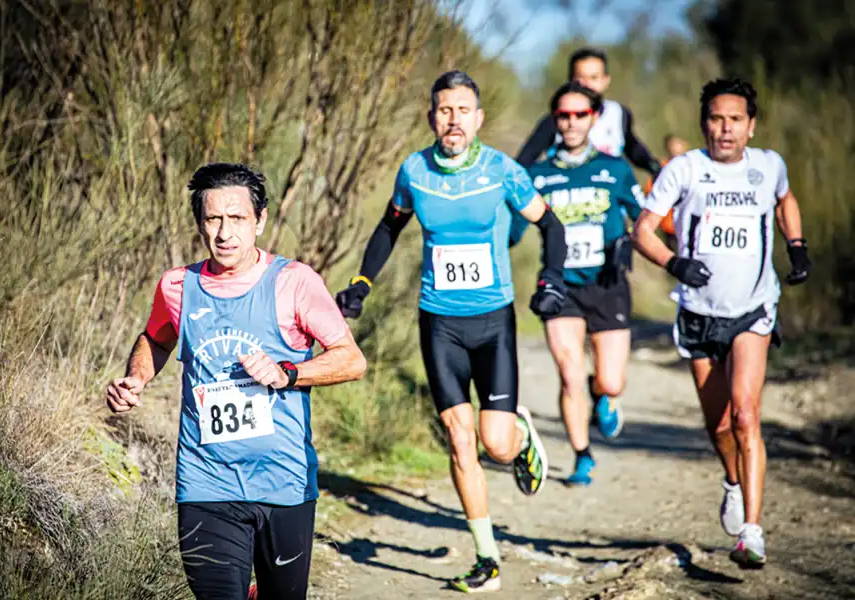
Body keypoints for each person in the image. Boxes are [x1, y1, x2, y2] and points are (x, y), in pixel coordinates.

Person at [335, 70, 567, 593]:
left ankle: (520, 436)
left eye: (463, 109)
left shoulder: (501, 171)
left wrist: (551, 280)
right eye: (444, 110)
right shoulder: (414, 171)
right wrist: (360, 284)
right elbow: (389, 226)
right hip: (439, 322)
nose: (453, 119)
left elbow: (552, 225)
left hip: (493, 323)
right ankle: (486, 559)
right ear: (432, 117)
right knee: (461, 442)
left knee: (496, 445)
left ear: (478, 118)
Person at [105, 163, 367, 600]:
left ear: (260, 220)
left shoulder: (294, 282)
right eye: (213, 219)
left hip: (284, 482)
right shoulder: (177, 286)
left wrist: (289, 373)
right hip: (206, 481)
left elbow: (350, 360)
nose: (225, 233)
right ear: (199, 224)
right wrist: (136, 379)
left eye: (238, 218)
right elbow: (156, 337)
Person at [633, 79, 811, 569]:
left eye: (735, 119)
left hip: (752, 309)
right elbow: (642, 230)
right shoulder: (684, 169)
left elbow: (785, 199)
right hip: (697, 312)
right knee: (720, 426)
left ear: (750, 126)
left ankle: (752, 532)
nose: (725, 128)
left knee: (746, 414)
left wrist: (795, 245)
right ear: (703, 123)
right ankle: (732, 481)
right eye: (715, 118)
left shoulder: (768, 165)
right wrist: (675, 264)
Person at [512, 82, 643, 486]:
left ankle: (602, 392)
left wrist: (627, 241)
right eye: (563, 116)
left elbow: (644, 219)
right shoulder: (537, 175)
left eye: (580, 115)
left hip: (607, 284)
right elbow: (513, 230)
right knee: (568, 373)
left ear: (594, 118)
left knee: (611, 381)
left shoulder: (616, 168)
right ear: (554, 120)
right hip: (560, 286)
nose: (571, 123)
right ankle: (582, 456)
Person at [515, 47, 661, 177]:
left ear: (606, 80)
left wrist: (656, 168)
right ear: (570, 80)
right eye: (580, 77)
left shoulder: (619, 114)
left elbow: (634, 149)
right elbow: (523, 162)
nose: (587, 84)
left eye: (594, 77)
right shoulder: (557, 120)